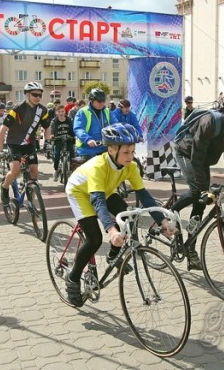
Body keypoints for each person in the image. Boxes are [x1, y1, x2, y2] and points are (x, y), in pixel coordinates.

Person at [64, 123, 175, 307]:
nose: (130, 157)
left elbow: (145, 196)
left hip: (104, 191)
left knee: (130, 217)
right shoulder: (98, 166)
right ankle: (73, 278)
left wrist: (163, 221)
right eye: (126, 153)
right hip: (80, 193)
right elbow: (98, 202)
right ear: (111, 150)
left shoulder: (130, 166)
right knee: (94, 239)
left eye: (132, 151)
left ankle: (112, 255)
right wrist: (111, 230)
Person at [171, 90, 224, 270]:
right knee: (198, 191)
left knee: (201, 203)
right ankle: (169, 213)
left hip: (203, 159)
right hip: (186, 152)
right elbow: (197, 157)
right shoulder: (210, 122)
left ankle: (190, 250)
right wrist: (203, 189)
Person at [0, 82, 51, 205]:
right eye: (34, 95)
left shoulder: (42, 110)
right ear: (27, 94)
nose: (38, 97)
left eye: (40, 95)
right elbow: (3, 130)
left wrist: (47, 142)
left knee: (34, 171)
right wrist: (0, 151)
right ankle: (4, 187)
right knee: (15, 171)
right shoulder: (17, 109)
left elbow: (47, 127)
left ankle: (31, 196)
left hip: (29, 144)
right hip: (14, 143)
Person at [73, 89, 111, 159]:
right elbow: (78, 128)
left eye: (103, 101)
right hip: (87, 150)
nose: (102, 103)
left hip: (104, 148)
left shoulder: (107, 111)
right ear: (92, 100)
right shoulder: (83, 112)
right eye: (99, 101)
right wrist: (88, 140)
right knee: (89, 169)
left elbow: (116, 125)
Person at [49, 104, 74, 180]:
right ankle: (56, 170)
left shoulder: (69, 119)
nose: (61, 113)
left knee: (72, 154)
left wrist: (74, 135)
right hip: (58, 139)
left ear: (65, 111)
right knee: (56, 155)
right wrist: (52, 135)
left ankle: (72, 170)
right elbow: (52, 131)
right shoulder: (54, 121)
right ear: (57, 112)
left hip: (68, 139)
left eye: (62, 111)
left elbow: (73, 130)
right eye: (59, 111)